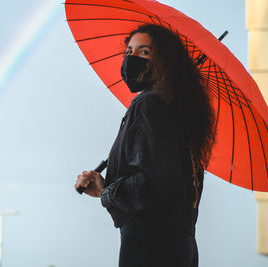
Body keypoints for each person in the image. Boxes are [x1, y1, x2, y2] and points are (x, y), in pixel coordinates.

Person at [74, 24, 215, 267]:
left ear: (164, 61)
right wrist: (106, 187)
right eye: (129, 51)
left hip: (149, 246)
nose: (132, 58)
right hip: (182, 246)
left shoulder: (149, 105)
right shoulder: (181, 114)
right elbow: (162, 181)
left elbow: (151, 186)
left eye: (144, 52)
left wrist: (106, 192)